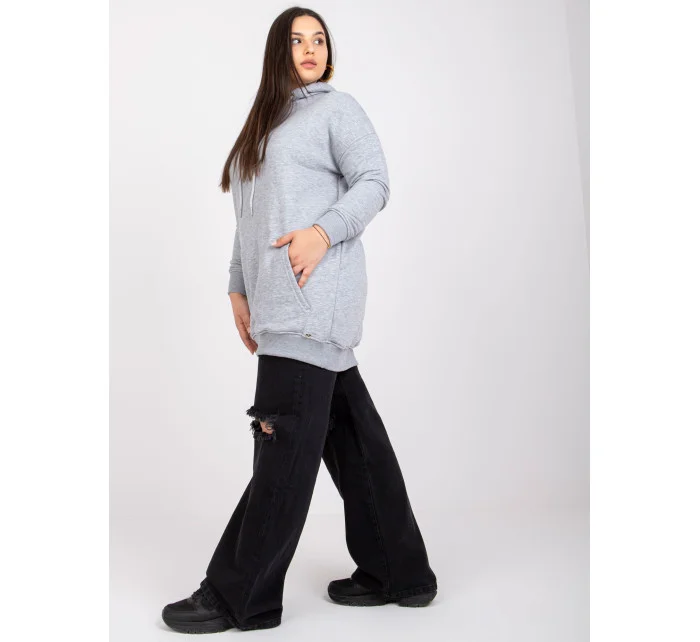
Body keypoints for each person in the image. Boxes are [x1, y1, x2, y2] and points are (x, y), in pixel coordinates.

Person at [161, 7, 438, 634]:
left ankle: (238, 597)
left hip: (315, 299)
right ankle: (399, 571)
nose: (310, 49)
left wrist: (322, 231)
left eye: (319, 39)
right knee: (352, 438)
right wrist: (238, 286)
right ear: (276, 51)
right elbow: (248, 219)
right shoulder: (264, 123)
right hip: (278, 302)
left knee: (280, 447)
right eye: (296, 40)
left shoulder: (337, 111)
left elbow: (375, 182)